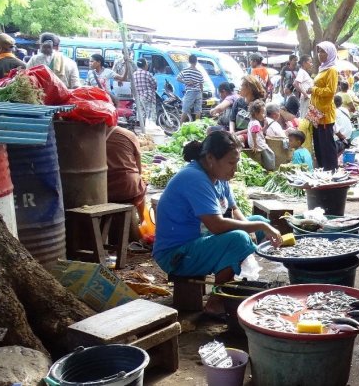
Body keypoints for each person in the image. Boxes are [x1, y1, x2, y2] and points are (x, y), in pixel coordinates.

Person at [152, 131, 281, 317]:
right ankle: (216, 302)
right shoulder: (194, 178)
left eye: (236, 163)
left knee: (258, 222)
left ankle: (231, 281)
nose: (234, 170)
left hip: (201, 241)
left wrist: (257, 227)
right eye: (231, 163)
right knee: (239, 239)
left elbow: (235, 209)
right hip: (176, 254)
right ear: (211, 158)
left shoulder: (219, 178)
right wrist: (255, 230)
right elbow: (217, 225)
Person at [106, 126, 148, 242]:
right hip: (128, 191)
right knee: (140, 185)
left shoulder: (92, 135)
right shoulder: (128, 134)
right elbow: (138, 166)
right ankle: (143, 221)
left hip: (103, 191)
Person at [307, 41, 340, 170]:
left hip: (325, 113)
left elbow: (331, 91)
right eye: (318, 51)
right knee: (318, 145)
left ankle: (331, 171)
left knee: (327, 145)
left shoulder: (331, 70)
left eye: (323, 51)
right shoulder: (322, 68)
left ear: (330, 53)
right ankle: (322, 170)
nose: (320, 54)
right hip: (315, 111)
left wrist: (314, 89)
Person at [132, 58, 158, 133]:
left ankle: (142, 131)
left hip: (138, 97)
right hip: (148, 97)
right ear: (145, 65)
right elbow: (154, 84)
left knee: (141, 114)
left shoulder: (134, 74)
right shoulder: (147, 74)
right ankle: (150, 131)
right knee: (150, 115)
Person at [177, 54, 205, 123]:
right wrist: (202, 94)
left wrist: (186, 82)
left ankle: (180, 127)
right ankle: (197, 127)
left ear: (189, 61)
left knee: (185, 109)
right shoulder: (199, 72)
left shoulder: (185, 70)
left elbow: (178, 78)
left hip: (190, 92)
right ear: (196, 61)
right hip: (198, 92)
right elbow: (201, 85)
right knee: (198, 111)